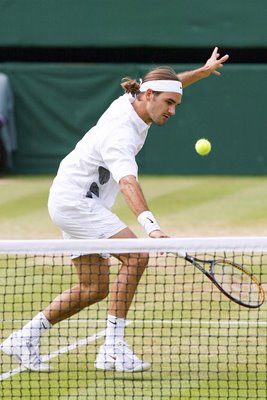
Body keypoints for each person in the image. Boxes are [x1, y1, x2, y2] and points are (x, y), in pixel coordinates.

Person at [0, 47, 229, 373]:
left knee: (93, 287)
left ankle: (23, 338)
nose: (173, 111)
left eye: (175, 104)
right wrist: (151, 227)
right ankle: (112, 350)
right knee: (137, 256)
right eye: (169, 104)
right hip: (76, 201)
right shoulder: (120, 133)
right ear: (148, 96)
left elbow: (170, 82)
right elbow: (127, 184)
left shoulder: (138, 97)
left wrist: (202, 72)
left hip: (72, 196)